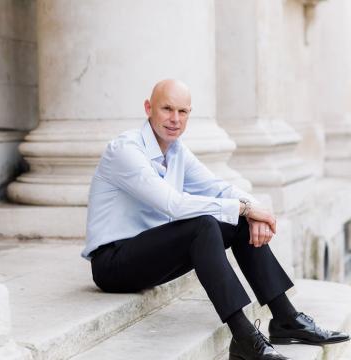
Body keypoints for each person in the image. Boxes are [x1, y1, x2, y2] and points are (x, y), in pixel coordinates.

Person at [81, 79, 349, 359]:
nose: (175, 119)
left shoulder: (175, 151)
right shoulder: (125, 150)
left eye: (182, 112)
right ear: (149, 108)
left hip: (150, 255)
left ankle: (286, 319)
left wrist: (253, 210)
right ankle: (244, 337)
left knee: (237, 222)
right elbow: (173, 204)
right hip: (113, 264)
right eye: (167, 109)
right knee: (205, 223)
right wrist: (243, 208)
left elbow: (219, 187)